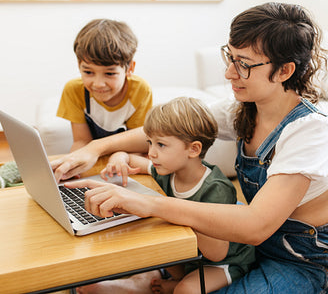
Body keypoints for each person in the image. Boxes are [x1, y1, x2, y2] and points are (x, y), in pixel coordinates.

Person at [55, 2, 328, 293]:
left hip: (304, 262)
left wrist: (149, 205)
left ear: (285, 71)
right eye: (230, 58)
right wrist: (94, 148)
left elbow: (256, 225)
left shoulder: (310, 130)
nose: (229, 73)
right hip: (250, 247)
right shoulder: (245, 108)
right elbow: (171, 129)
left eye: (244, 65)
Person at [76, 97, 255, 294]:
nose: (151, 153)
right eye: (149, 143)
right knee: (152, 247)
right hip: (190, 254)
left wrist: (170, 212)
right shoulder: (169, 169)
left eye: (161, 145)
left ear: (193, 149)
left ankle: (174, 284)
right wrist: (120, 157)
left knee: (186, 290)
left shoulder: (216, 189)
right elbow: (134, 160)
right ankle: (167, 280)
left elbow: (217, 253)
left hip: (225, 262)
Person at [57, 18, 153, 151]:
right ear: (79, 66)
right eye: (88, 72)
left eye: (109, 73)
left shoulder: (140, 90)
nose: (98, 84)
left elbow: (139, 144)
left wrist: (119, 157)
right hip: (93, 156)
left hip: (126, 155)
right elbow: (81, 142)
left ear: (130, 68)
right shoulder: (73, 90)